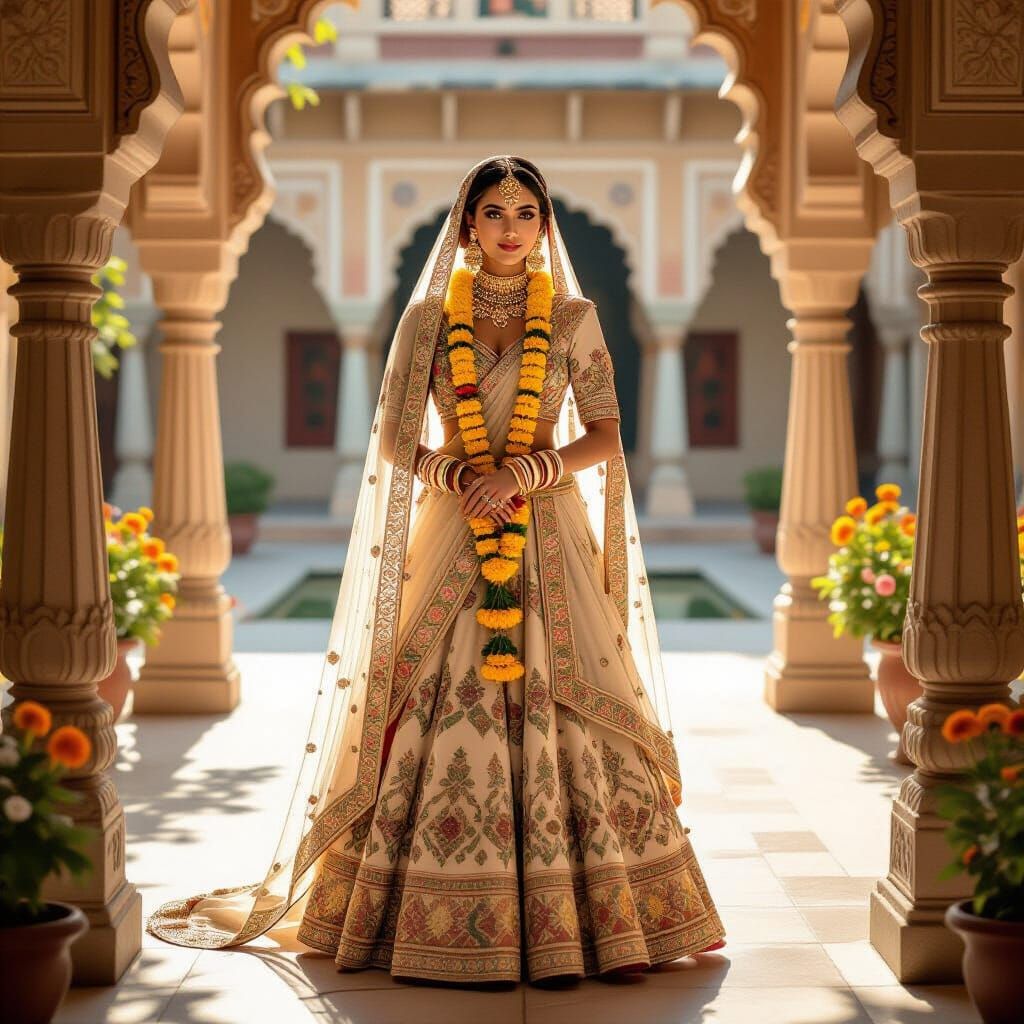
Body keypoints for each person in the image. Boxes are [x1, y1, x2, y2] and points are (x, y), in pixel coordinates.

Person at [146, 154, 726, 984]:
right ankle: (427, 912)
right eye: (494, 211)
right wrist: (461, 478)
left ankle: (600, 917)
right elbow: (392, 440)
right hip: (455, 525)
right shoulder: (426, 323)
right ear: (466, 225)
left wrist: (523, 474)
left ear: (544, 226)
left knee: (571, 694)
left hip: (544, 529)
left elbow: (605, 434)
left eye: (527, 212)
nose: (511, 227)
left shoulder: (572, 318)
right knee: (424, 690)